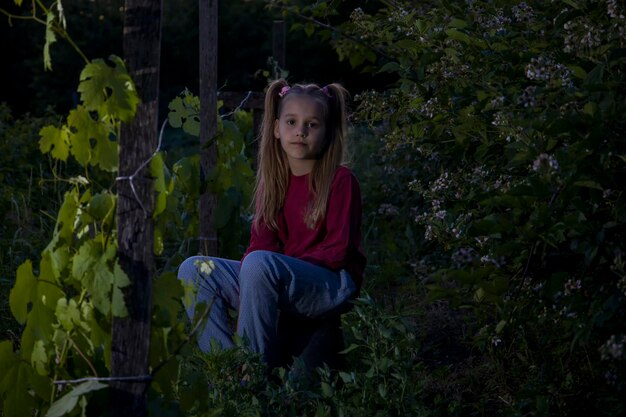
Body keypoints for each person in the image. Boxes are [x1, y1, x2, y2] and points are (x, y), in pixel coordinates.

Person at [177, 79, 367, 368]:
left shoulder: (341, 181)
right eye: (291, 121)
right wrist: (259, 281)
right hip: (280, 277)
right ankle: (226, 370)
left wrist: (275, 269)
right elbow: (261, 246)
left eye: (312, 124)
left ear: (327, 133)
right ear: (276, 129)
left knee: (260, 264)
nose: (300, 131)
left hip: (330, 284)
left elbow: (338, 251)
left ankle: (251, 374)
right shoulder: (274, 183)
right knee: (193, 270)